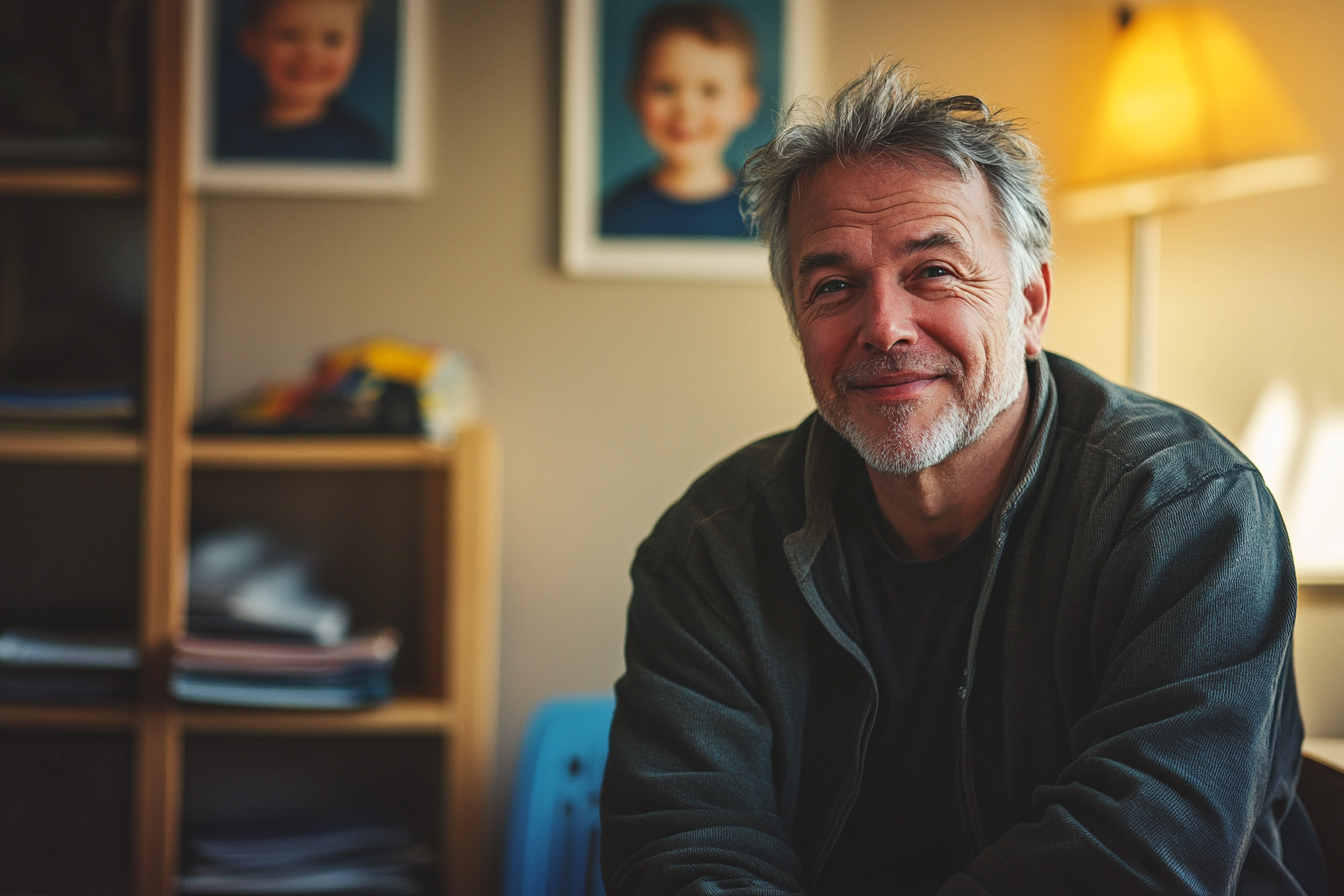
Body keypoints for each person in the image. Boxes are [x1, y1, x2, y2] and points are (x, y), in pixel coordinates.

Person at [600, 60, 1325, 896]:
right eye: (834, 285)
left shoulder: (1188, 512)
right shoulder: (712, 548)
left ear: (1030, 304)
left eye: (933, 272)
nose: (884, 327)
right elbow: (685, 853)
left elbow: (1141, 858)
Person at [600, 3, 761, 238]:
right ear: (635, 95)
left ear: (744, 105)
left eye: (709, 91)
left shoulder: (765, 216)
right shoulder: (612, 217)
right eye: (665, 88)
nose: (686, 109)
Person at [216, 0, 387, 162]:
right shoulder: (225, 139)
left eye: (331, 40)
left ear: (355, 50)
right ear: (251, 42)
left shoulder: (363, 145)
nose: (310, 53)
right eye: (289, 35)